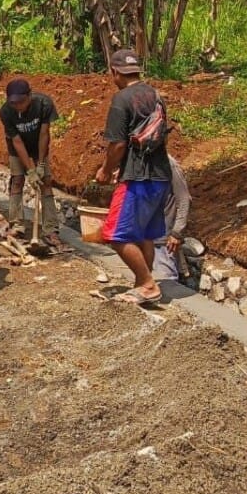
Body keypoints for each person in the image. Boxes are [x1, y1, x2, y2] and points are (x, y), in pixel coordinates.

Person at [94, 48, 173, 305]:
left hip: (137, 178)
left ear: (115, 72)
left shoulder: (121, 99)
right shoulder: (156, 95)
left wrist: (106, 170)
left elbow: (117, 145)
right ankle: (143, 284)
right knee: (144, 234)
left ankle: (148, 285)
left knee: (115, 234)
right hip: (160, 175)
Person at [0, 78, 64, 246]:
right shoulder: (6, 112)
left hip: (38, 146)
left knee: (45, 182)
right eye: (14, 103)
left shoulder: (44, 104)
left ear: (29, 95)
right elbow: (17, 142)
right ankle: (17, 224)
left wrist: (40, 165)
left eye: (21, 102)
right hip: (17, 149)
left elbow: (44, 135)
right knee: (17, 181)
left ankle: (50, 230)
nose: (18, 106)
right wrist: (30, 170)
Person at [152, 155, 190, 282]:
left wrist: (177, 232)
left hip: (163, 239)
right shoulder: (140, 162)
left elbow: (184, 199)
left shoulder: (169, 165)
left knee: (166, 282)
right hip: (143, 236)